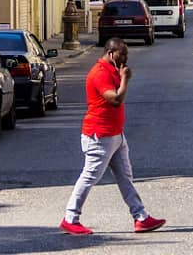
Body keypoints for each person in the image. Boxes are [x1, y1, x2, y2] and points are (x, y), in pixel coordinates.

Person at [61, 39, 166, 236]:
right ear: (110, 53)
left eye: (126, 54)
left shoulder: (112, 69)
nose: (126, 59)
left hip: (115, 135)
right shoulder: (100, 73)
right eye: (122, 54)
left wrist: (122, 76)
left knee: (125, 176)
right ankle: (70, 218)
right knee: (89, 176)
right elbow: (116, 100)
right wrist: (125, 79)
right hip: (99, 135)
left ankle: (141, 217)